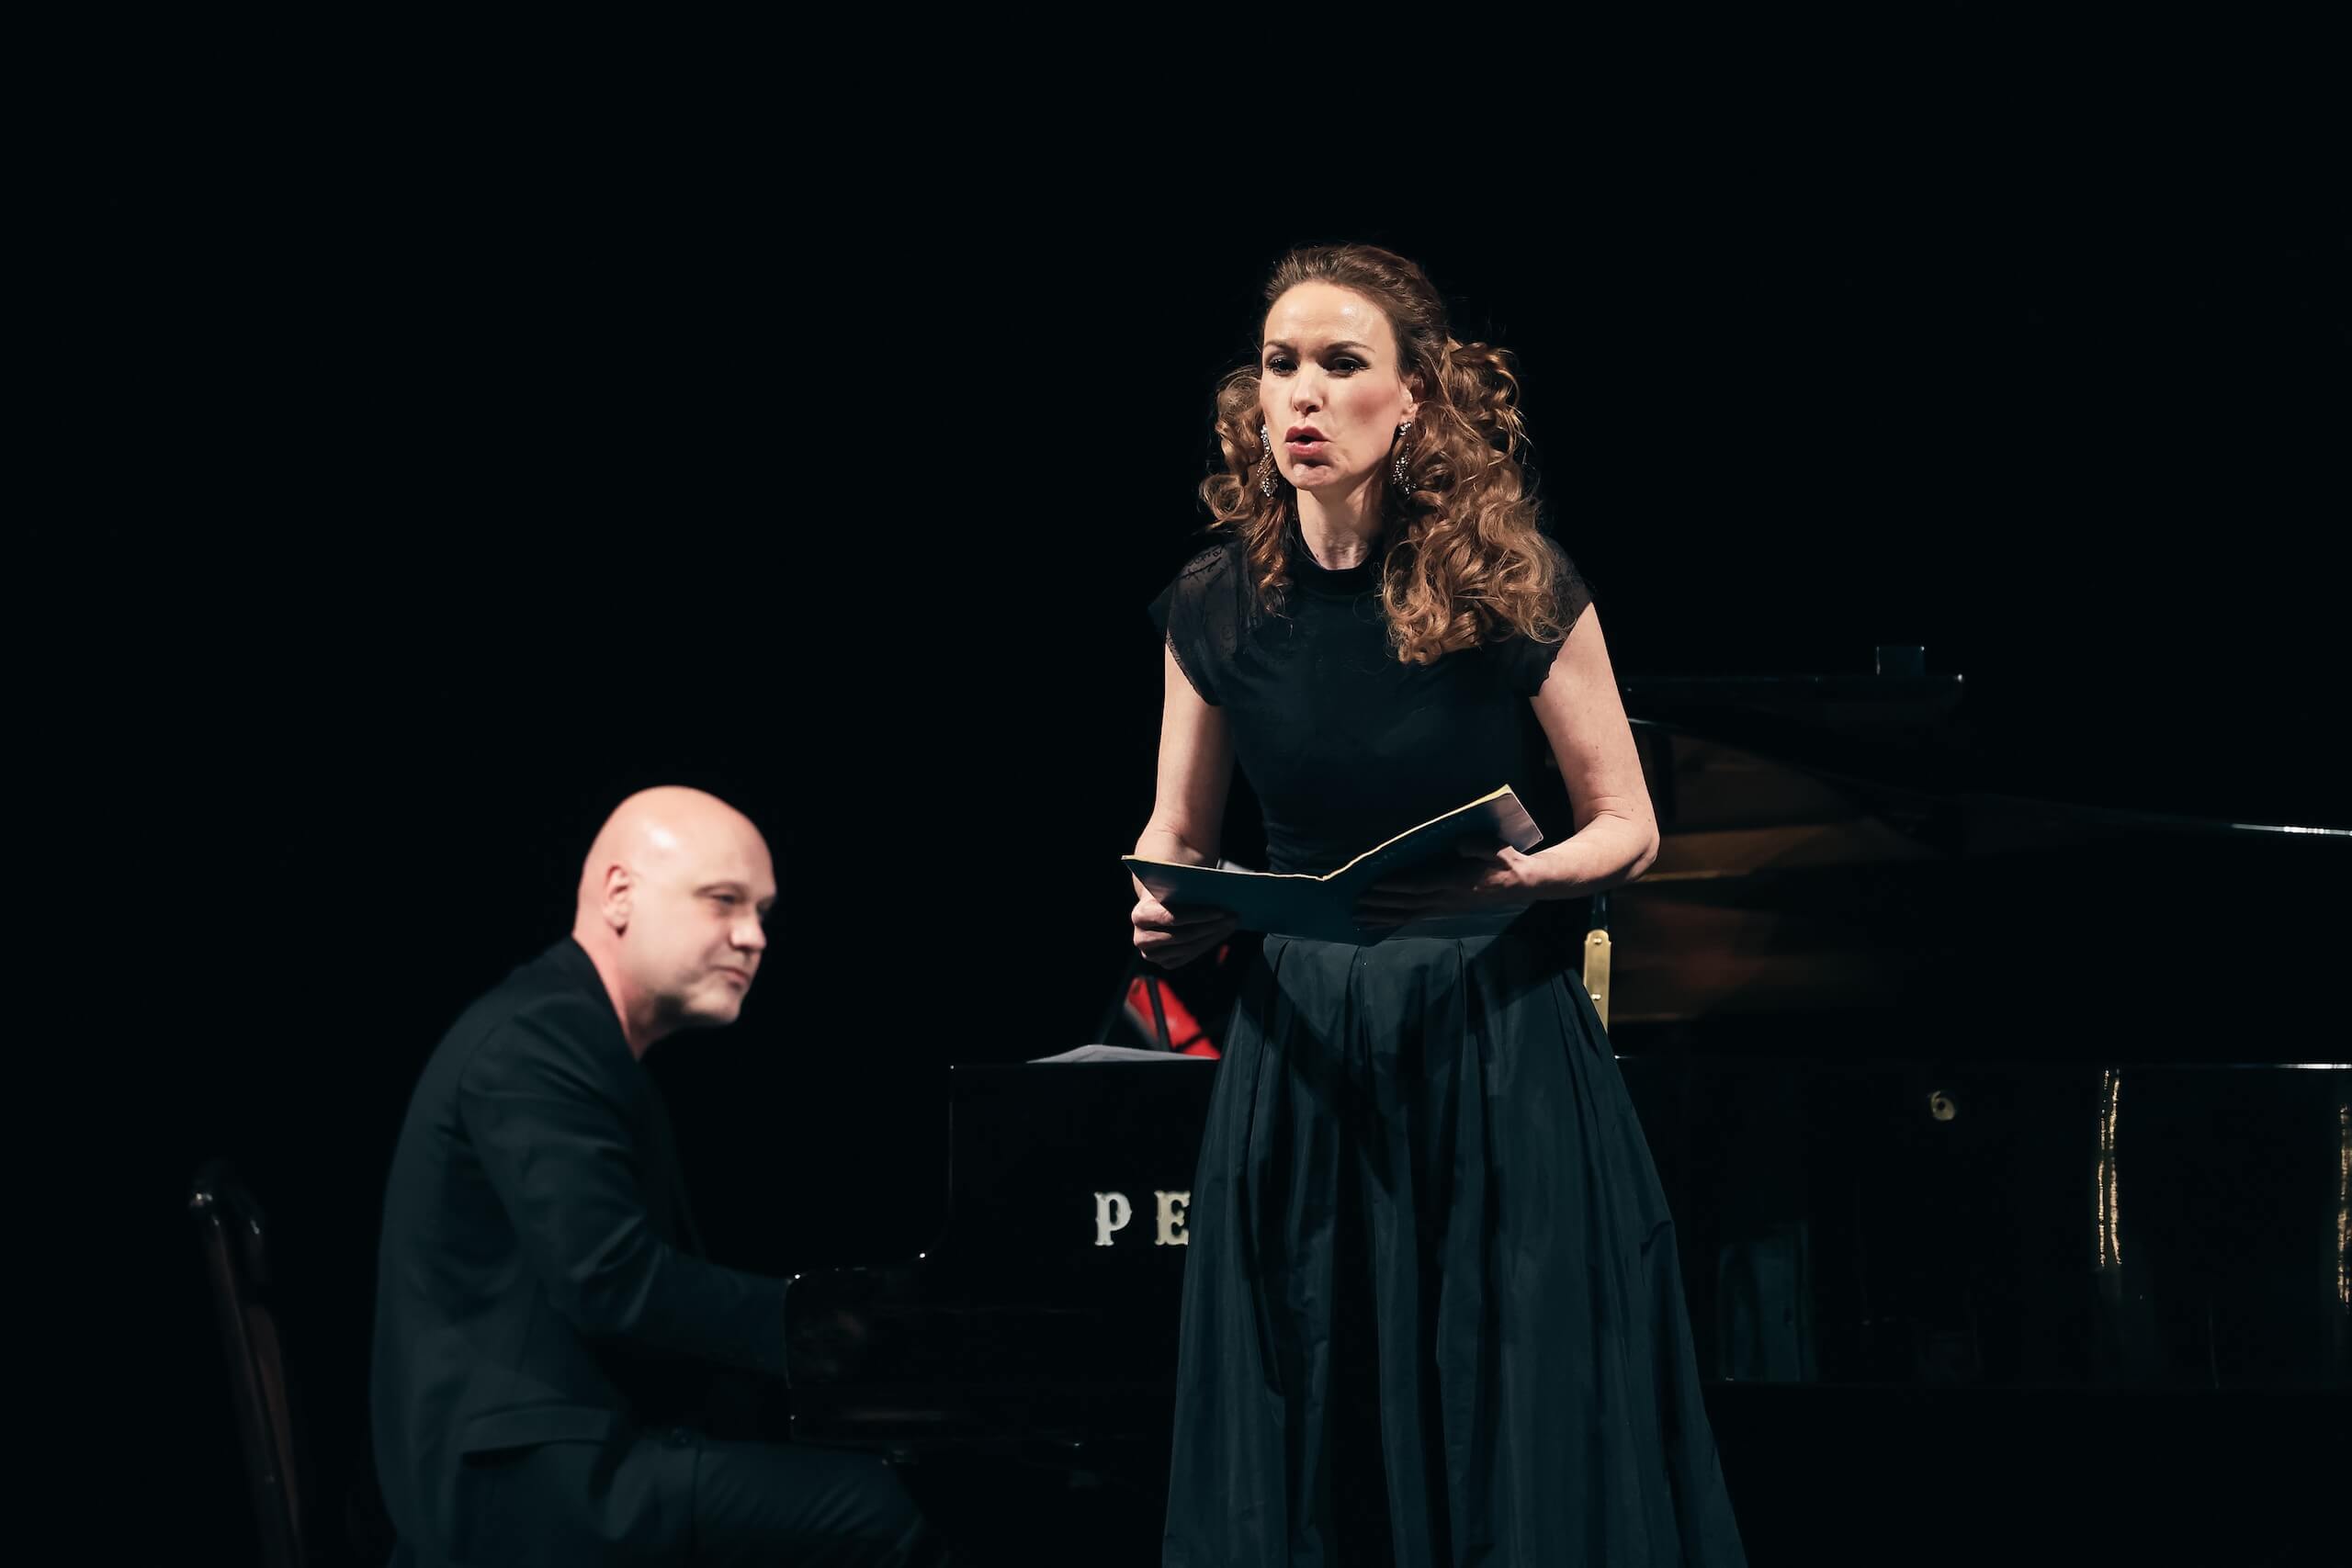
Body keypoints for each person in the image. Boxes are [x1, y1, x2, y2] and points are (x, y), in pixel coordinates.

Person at [1134, 245, 1747, 1564]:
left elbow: (1629, 823)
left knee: (1502, 1397)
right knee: (1316, 1390)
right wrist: (1164, 901)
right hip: (1300, 1046)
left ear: (1413, 396)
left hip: (1487, 1031)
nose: (1301, 393)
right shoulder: (1215, 603)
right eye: (1281, 364)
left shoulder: (1506, 579)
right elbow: (1173, 832)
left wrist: (1517, 878)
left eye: (1340, 363)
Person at [370, 785, 944, 1566]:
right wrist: (823, 1327)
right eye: (723, 900)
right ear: (619, 894)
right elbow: (613, 1282)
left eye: (762, 912)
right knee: (883, 1511)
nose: (753, 937)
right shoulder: (540, 1036)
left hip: (572, 1454)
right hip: (528, 1484)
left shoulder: (581, 1037)